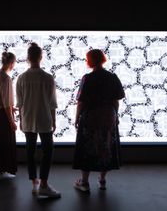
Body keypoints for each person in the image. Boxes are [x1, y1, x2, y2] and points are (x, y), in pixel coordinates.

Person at [73, 49, 125, 192]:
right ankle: (102, 180)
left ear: (89, 61)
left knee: (87, 145)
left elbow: (81, 102)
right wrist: (116, 116)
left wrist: (77, 118)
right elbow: (116, 101)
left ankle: (84, 182)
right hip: (108, 116)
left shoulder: (87, 78)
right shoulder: (112, 77)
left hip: (91, 117)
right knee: (106, 145)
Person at [16, 42, 61, 198]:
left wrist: (21, 121)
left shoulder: (21, 78)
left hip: (28, 118)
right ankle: (44, 184)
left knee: (30, 151)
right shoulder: (48, 78)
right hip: (44, 118)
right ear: (41, 57)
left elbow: (20, 103)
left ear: (28, 58)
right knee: (48, 150)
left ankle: (34, 182)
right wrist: (54, 121)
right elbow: (52, 102)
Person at [0, 52, 17, 180]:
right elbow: (6, 103)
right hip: (3, 116)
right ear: (11, 63)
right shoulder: (6, 78)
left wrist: (11, 108)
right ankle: (3, 171)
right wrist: (12, 121)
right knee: (5, 142)